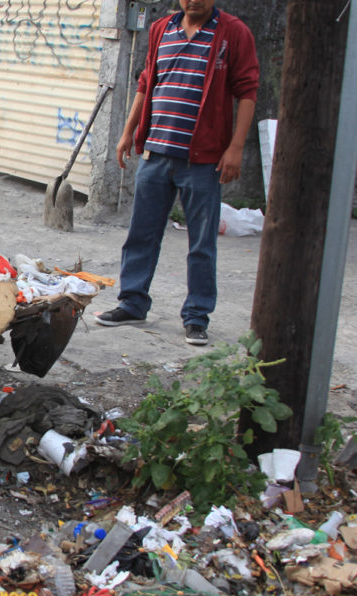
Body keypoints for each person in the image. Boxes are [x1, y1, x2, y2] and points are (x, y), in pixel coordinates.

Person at [97, 0, 259, 346]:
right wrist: (129, 131)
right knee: (141, 233)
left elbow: (247, 91)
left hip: (203, 160)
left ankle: (197, 316)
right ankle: (132, 303)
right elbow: (146, 81)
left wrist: (236, 147)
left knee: (201, 243)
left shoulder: (233, 33)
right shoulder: (161, 29)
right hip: (156, 152)